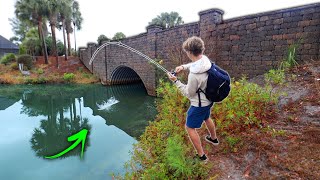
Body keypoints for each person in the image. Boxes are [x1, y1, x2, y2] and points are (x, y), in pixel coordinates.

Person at [167, 36, 219, 161]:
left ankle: (201, 156)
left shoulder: (194, 75)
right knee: (206, 117)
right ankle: (214, 138)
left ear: (190, 52)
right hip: (209, 99)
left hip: (199, 104)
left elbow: (188, 93)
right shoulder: (206, 61)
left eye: (187, 52)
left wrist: (176, 81)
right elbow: (196, 63)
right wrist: (184, 66)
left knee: (189, 127)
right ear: (201, 49)